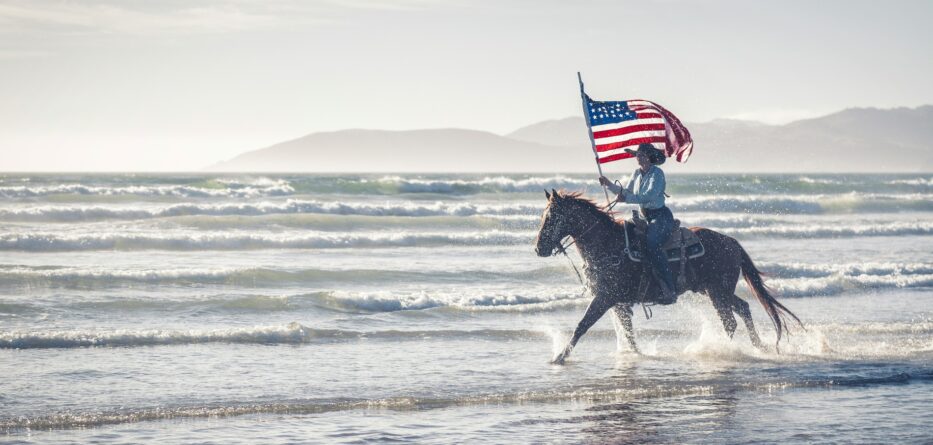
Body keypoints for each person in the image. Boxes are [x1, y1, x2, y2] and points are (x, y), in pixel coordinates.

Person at [598, 143, 676, 301]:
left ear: (649, 157)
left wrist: (626, 198)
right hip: (644, 216)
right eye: (637, 155)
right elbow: (626, 192)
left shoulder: (657, 174)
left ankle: (670, 288)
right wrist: (609, 184)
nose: (638, 158)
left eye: (641, 155)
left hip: (660, 216)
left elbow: (649, 196)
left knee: (653, 243)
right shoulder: (636, 173)